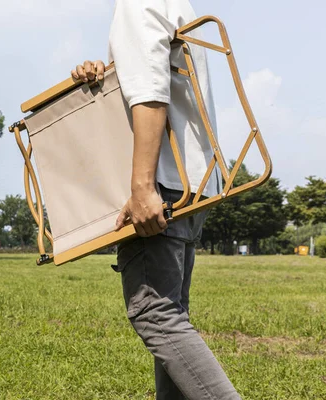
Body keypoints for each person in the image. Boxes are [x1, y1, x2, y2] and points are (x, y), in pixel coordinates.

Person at [71, 1, 240, 399]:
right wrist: (102, 75)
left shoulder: (137, 3)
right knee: (171, 316)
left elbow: (149, 94)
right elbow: (153, 78)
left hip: (161, 184)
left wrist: (142, 186)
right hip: (191, 184)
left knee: (155, 313)